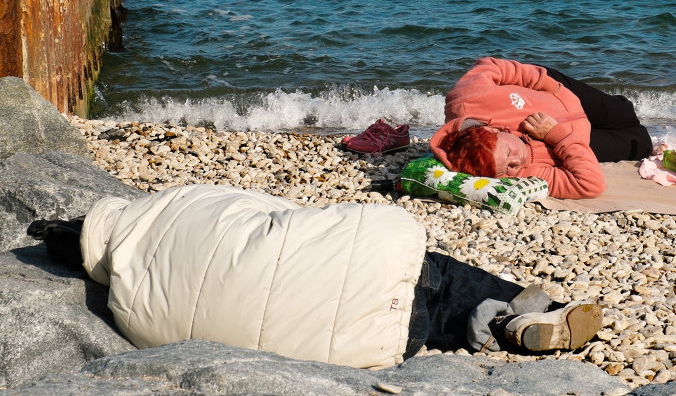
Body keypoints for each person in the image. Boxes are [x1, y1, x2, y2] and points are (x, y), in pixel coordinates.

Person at [28, 184, 602, 369]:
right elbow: (270, 209)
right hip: (385, 267)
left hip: (382, 341)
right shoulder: (182, 203)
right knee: (432, 270)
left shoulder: (130, 309)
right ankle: (514, 306)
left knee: (415, 315)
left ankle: (486, 326)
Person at [430, 57, 653, 199]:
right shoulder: (523, 172)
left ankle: (614, 107)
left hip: (560, 93)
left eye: (508, 153)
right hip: (576, 140)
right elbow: (590, 185)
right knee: (642, 143)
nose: (515, 162)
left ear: (494, 131)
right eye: (506, 169)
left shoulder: (466, 102)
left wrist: (548, 84)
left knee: (624, 111)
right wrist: (558, 137)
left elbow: (489, 67)